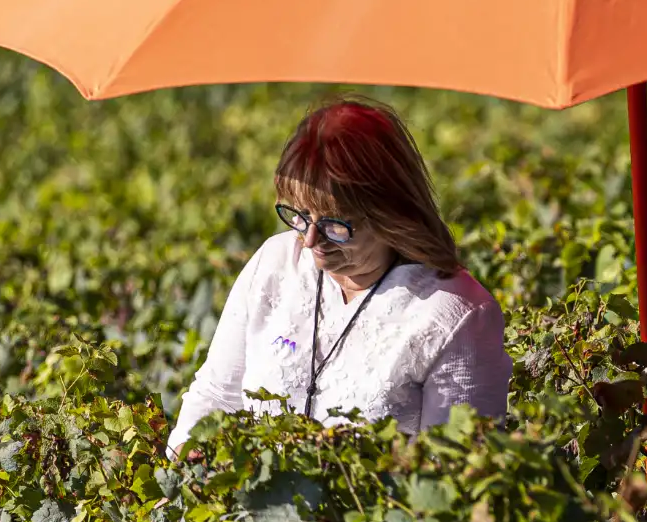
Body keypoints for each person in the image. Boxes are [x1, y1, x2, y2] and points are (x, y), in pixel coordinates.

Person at [165, 96, 514, 460]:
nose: (311, 240)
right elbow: (217, 394)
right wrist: (177, 487)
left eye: (335, 224)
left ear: (389, 214)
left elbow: (455, 472)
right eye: (299, 215)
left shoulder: (454, 315)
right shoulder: (275, 262)